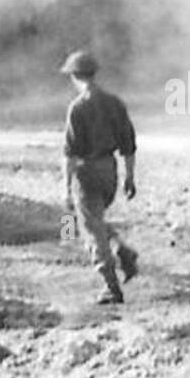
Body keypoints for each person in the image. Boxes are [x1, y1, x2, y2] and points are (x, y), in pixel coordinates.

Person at [60, 49, 138, 305]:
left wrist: (65, 190)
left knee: (89, 229)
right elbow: (128, 144)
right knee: (94, 220)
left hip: (86, 173)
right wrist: (129, 178)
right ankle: (122, 251)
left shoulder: (78, 107)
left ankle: (110, 286)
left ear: (74, 76)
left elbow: (70, 154)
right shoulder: (115, 103)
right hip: (110, 171)